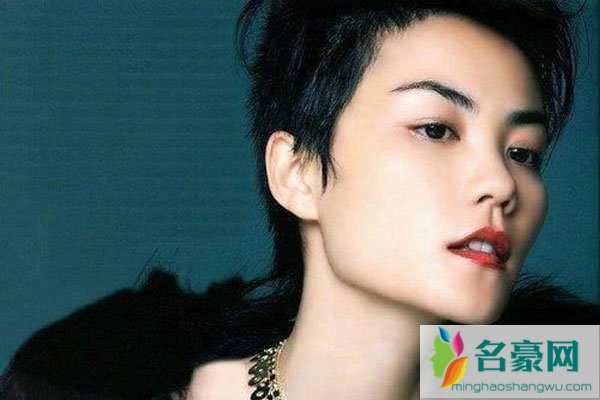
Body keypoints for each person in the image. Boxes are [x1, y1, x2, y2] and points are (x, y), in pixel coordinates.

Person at [1, 0, 598, 399]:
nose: (501, 183)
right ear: (298, 172)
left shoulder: (544, 371)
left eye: (523, 153)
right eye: (436, 129)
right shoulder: (104, 378)